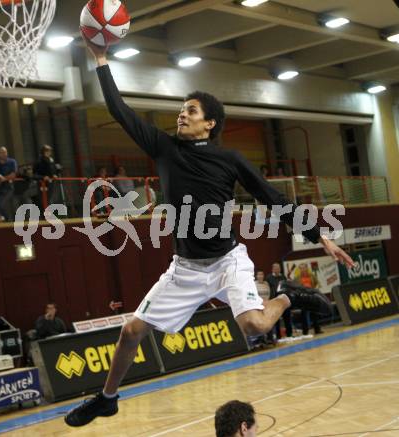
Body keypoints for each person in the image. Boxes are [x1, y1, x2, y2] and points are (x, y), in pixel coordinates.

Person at [64, 37, 354, 427]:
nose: (181, 115)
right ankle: (107, 398)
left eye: (191, 110)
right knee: (131, 330)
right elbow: (120, 110)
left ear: (210, 122)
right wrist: (100, 58)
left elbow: (273, 198)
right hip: (185, 268)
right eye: (181, 110)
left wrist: (322, 236)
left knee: (253, 326)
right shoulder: (163, 148)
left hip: (227, 261)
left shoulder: (230, 159)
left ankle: (285, 297)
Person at [266, 262, 293, 340]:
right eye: (276, 268)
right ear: (272, 269)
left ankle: (289, 334)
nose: (277, 269)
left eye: (278, 268)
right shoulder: (269, 278)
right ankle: (278, 336)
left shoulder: (283, 277)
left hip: (283, 300)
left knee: (287, 318)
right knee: (276, 319)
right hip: (275, 302)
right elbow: (268, 290)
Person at [0, 147, 18, 221]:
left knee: (3, 203)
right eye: (2, 152)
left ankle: (7, 219)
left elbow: (13, 174)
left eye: (5, 152)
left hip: (9, 187)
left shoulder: (12, 162)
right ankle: (4, 219)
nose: (4, 154)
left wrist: (3, 179)